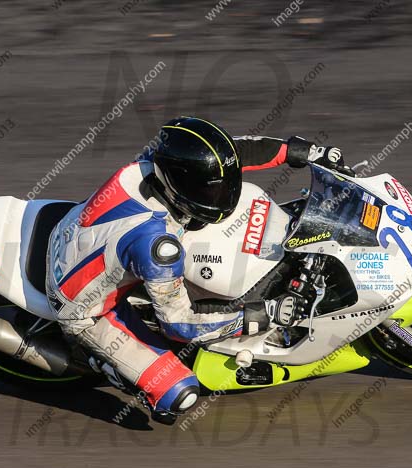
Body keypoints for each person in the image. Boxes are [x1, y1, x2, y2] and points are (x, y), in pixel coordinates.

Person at [45, 116, 343, 420]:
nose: (224, 193)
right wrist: (259, 315)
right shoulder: (156, 247)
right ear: (180, 188)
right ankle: (96, 360)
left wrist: (299, 152)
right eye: (211, 191)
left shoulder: (159, 161)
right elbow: (179, 323)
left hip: (77, 228)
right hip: (86, 309)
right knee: (181, 394)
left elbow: (230, 154)